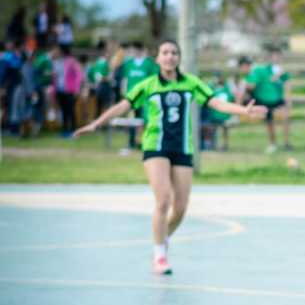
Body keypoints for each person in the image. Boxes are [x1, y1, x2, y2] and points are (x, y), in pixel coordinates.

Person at [73, 39, 268, 275]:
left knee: (181, 208)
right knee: (163, 200)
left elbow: (216, 103)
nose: (170, 56)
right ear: (157, 58)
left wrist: (243, 110)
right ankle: (159, 256)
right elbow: (123, 106)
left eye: (174, 52)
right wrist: (96, 123)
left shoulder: (190, 83)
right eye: (165, 52)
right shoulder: (148, 85)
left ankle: (161, 239)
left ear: (179, 58)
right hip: (156, 146)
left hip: (182, 147)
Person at [239, 49, 292, 153]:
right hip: (268, 99)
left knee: (278, 120)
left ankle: (281, 144)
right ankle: (279, 144)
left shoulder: (258, 71)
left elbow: (252, 86)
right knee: (274, 121)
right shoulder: (261, 70)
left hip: (271, 99)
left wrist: (243, 84)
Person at [120, 41, 159, 152]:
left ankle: (145, 142)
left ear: (141, 50)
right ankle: (131, 142)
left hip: (146, 98)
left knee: (145, 119)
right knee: (131, 120)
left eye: (135, 50)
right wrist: (123, 92)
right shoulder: (128, 63)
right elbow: (125, 79)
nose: (133, 52)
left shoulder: (149, 63)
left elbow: (154, 79)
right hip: (132, 97)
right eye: (132, 50)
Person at [51, 44, 82, 137]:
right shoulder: (56, 62)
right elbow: (54, 77)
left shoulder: (71, 61)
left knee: (70, 111)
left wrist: (77, 88)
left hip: (70, 91)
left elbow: (79, 75)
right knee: (63, 111)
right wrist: (54, 90)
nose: (56, 52)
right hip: (60, 90)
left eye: (58, 51)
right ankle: (65, 130)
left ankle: (73, 131)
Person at [87, 40, 113, 118]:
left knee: (100, 106)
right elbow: (99, 77)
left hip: (99, 86)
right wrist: (109, 78)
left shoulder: (97, 62)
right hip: (102, 86)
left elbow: (91, 75)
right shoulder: (102, 63)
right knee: (103, 106)